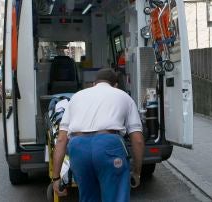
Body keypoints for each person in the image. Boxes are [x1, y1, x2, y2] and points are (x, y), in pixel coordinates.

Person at [52, 68, 145, 202]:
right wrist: (137, 172)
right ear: (116, 85)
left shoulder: (77, 97)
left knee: (88, 197)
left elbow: (61, 140)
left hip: (78, 147)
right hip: (108, 146)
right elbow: (138, 140)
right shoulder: (123, 96)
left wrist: (56, 178)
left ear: (93, 84)